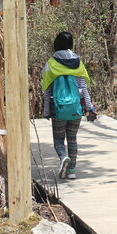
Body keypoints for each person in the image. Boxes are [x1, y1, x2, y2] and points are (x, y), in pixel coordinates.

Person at [41, 31, 95, 180]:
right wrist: (89, 107)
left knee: (58, 139)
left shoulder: (51, 64)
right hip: (75, 108)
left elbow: (47, 91)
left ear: (56, 44)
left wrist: (46, 112)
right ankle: (72, 172)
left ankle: (63, 157)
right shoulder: (78, 63)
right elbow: (84, 89)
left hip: (58, 109)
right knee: (72, 139)